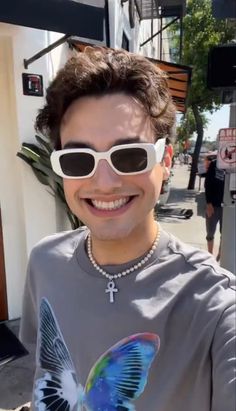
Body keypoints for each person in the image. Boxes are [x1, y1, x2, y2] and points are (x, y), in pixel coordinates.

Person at [19, 48, 235, 411]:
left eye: (130, 155)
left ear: (165, 160)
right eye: (78, 159)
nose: (104, 182)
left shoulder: (214, 305)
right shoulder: (44, 263)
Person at [205, 157, 225, 262]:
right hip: (213, 206)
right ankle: (210, 255)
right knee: (210, 233)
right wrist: (208, 203)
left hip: (228, 208)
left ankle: (221, 255)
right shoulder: (215, 164)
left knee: (225, 234)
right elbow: (207, 184)